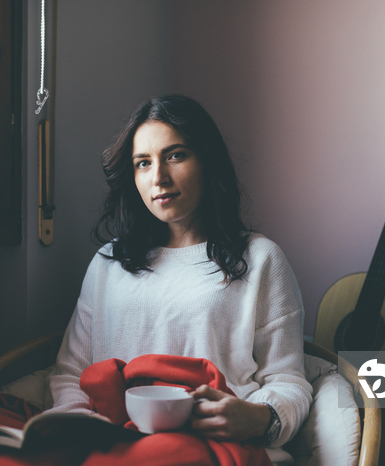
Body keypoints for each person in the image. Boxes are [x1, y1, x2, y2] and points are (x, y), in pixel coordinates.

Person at [45, 95, 312, 463]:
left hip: (213, 444)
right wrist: (79, 429)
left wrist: (256, 418)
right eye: (143, 163)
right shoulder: (109, 262)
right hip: (110, 438)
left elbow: (289, 382)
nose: (159, 178)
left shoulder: (261, 258)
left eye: (175, 155)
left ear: (207, 161)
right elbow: (70, 373)